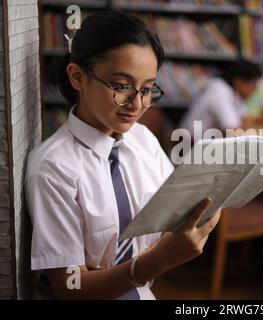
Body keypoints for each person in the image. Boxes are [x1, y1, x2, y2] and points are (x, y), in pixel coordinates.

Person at [25, 11, 220, 300]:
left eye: (147, 88)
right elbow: (70, 287)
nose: (137, 104)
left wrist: (206, 213)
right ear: (78, 76)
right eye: (121, 86)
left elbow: (173, 217)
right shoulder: (54, 167)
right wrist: (155, 262)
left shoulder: (142, 139)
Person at [180, 60, 261, 138]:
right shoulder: (220, 91)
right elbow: (233, 131)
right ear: (239, 81)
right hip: (189, 145)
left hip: (206, 142)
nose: (254, 90)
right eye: (253, 85)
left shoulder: (236, 94)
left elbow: (247, 122)